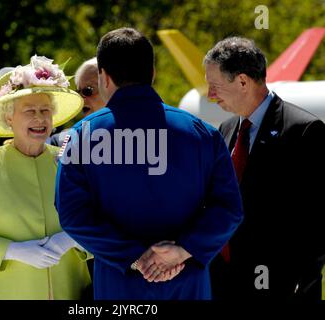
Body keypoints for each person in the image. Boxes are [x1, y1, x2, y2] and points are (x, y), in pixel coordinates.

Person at [55, 27, 243, 300]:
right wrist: (183, 250)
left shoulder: (82, 136)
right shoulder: (203, 133)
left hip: (120, 285)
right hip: (188, 281)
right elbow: (229, 209)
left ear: (104, 78)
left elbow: (72, 215)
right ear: (152, 73)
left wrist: (135, 257)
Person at [0, 55, 91, 300]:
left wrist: (70, 239)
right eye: (30, 111)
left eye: (45, 110)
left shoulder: (70, 161)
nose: (39, 118)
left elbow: (98, 224)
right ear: (9, 118)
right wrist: (13, 251)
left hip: (71, 292)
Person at [204, 36, 325, 300]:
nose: (210, 96)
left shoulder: (304, 131)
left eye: (214, 86)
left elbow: (317, 221)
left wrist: (300, 283)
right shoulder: (225, 132)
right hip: (222, 285)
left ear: (243, 81)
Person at [50, 57, 105, 146]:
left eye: (88, 90)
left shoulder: (132, 137)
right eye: (78, 93)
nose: (82, 99)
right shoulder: (62, 141)